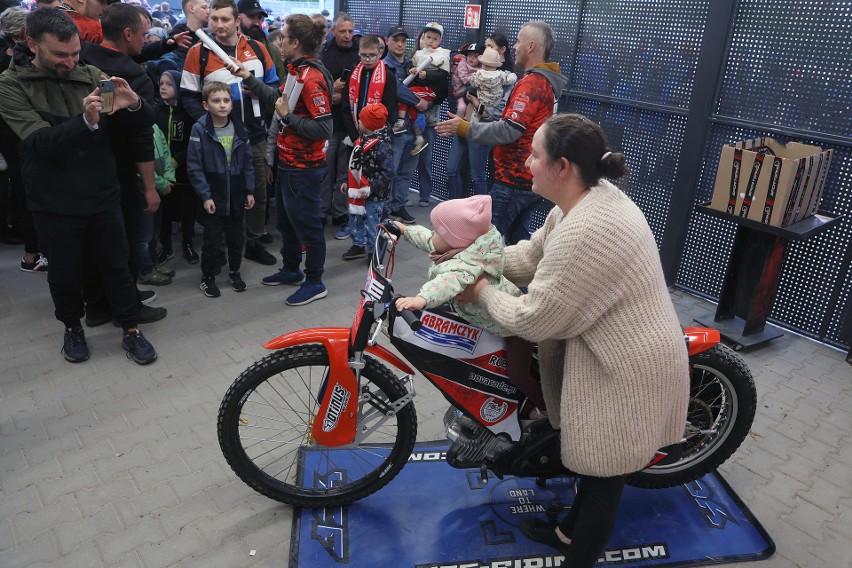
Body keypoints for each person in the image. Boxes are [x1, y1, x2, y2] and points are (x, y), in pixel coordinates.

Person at [457, 114, 689, 567]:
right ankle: (567, 533)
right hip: (613, 355)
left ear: (562, 166)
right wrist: (472, 260)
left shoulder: (589, 228)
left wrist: (479, 289)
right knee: (594, 471)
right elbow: (528, 255)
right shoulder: (577, 203)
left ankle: (578, 558)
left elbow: (534, 318)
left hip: (630, 370)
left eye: (535, 154)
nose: (526, 162)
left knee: (603, 480)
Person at [0, 8, 159, 365]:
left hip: (102, 193)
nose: (70, 63)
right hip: (53, 201)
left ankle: (131, 329)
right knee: (65, 273)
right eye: (60, 55)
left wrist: (135, 105)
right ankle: (73, 327)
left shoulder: (91, 75)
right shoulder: (10, 86)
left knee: (118, 267)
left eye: (75, 54)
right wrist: (86, 122)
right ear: (31, 45)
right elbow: (39, 143)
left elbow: (140, 125)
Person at [395, 195, 543, 411]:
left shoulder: (466, 267)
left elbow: (446, 283)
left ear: (454, 239)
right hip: (491, 320)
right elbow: (429, 240)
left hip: (515, 328)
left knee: (517, 375)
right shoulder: (460, 246)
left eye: (437, 230)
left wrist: (421, 299)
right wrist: (404, 230)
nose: (432, 233)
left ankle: (545, 408)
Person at [437, 21, 567, 245]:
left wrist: (465, 127)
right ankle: (522, 282)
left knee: (483, 247)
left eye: (518, 41)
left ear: (531, 46)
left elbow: (509, 130)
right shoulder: (544, 82)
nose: (514, 47)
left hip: (514, 181)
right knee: (517, 244)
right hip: (528, 180)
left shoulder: (533, 84)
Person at [233, 13, 333, 305]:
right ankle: (292, 269)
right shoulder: (296, 70)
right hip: (289, 164)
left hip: (305, 167)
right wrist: (248, 77)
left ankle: (314, 281)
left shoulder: (311, 77)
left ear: (296, 42)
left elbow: (324, 128)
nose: (280, 41)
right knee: (288, 223)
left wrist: (287, 117)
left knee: (308, 225)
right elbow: (279, 98)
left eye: (284, 37)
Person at [180, 0, 279, 267]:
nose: (219, 25)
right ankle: (220, 247)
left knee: (257, 193)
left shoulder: (258, 48)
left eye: (225, 19)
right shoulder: (197, 53)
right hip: (217, 142)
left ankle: (254, 242)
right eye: (214, 19)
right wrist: (212, 124)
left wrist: (255, 87)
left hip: (255, 136)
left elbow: (274, 89)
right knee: (219, 195)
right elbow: (188, 97)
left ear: (237, 20)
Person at [187, 81, 255, 297]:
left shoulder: (240, 128)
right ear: (206, 105)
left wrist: (249, 190)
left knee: (236, 237)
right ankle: (207, 278)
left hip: (236, 191)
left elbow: (248, 163)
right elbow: (194, 166)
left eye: (226, 100)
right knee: (212, 239)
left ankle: (235, 272)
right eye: (216, 101)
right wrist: (205, 196)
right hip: (214, 192)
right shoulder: (199, 128)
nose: (222, 105)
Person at [382, 24, 429, 224]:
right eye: (396, 40)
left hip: (415, 127)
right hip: (396, 128)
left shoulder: (414, 64)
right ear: (387, 41)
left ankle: (398, 206)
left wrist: (427, 99)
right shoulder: (384, 66)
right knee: (390, 171)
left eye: (403, 40)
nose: (400, 44)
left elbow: (430, 88)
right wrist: (418, 101)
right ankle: (384, 208)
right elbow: (396, 90)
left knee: (407, 172)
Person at [319, 12, 359, 228]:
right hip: (328, 121)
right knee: (326, 169)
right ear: (333, 31)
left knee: (346, 171)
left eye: (350, 31)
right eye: (342, 31)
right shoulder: (323, 52)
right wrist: (330, 92)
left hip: (351, 122)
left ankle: (340, 211)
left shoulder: (359, 53)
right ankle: (322, 210)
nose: (347, 35)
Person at [155, 69, 198, 265]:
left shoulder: (187, 113)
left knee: (187, 209)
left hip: (183, 170)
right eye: (161, 83)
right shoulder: (156, 111)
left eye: (169, 84)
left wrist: (178, 159)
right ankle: (166, 246)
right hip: (163, 171)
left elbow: (193, 142)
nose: (163, 87)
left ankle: (188, 244)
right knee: (164, 210)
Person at [340, 104, 393, 261]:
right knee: (356, 219)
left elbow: (388, 173)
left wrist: (371, 188)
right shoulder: (362, 140)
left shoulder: (382, 145)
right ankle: (358, 245)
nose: (358, 121)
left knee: (372, 225)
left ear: (370, 124)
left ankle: (374, 252)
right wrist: (346, 180)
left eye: (361, 120)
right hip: (358, 190)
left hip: (374, 195)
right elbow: (353, 163)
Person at [398, 22, 450, 156]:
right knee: (411, 104)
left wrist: (427, 74)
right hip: (419, 93)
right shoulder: (418, 53)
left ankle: (401, 122)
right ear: (422, 37)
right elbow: (410, 65)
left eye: (434, 38)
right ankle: (418, 136)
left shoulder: (442, 54)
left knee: (408, 95)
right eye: (428, 37)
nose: (430, 41)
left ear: (440, 40)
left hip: (431, 93)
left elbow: (443, 75)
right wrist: (411, 69)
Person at [137, 123, 176, 286]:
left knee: (154, 232)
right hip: (142, 190)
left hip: (158, 187)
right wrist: (160, 183)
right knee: (143, 236)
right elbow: (138, 166)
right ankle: (145, 271)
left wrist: (168, 177)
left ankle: (153, 264)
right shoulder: (128, 128)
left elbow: (166, 151)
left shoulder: (152, 125)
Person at [470, 47, 517, 113]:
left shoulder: (478, 74)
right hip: (496, 104)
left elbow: (473, 84)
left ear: (482, 63)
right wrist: (512, 75)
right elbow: (511, 79)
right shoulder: (501, 75)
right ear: (496, 64)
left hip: (482, 102)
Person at [452, 42, 481, 119]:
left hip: (474, 95)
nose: (471, 58)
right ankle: (457, 126)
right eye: (470, 55)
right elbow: (465, 79)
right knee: (461, 108)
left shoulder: (480, 68)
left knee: (474, 110)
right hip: (461, 93)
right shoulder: (462, 64)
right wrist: (476, 76)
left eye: (475, 56)